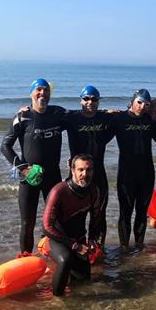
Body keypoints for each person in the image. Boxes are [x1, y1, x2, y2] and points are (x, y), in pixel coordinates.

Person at [1, 78, 67, 253]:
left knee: (55, 221)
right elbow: (5, 146)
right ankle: (26, 258)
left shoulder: (58, 113)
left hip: (52, 176)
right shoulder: (22, 117)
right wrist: (23, 168)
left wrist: (106, 113)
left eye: (46, 90)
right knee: (27, 222)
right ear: (31, 93)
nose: (42, 93)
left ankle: (51, 253)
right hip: (29, 178)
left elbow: (81, 119)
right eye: (38, 89)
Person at [42, 154, 102, 296]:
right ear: (72, 170)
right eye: (80, 170)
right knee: (65, 260)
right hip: (56, 240)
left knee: (84, 282)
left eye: (89, 170)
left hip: (78, 239)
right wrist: (75, 245)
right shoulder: (59, 191)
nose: (84, 174)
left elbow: (96, 217)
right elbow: (46, 227)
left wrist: (92, 239)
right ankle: (57, 300)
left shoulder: (94, 190)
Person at [107, 89, 156, 249]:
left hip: (146, 173)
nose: (142, 106)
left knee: (142, 212)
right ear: (132, 101)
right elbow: (99, 138)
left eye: (146, 104)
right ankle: (124, 248)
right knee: (125, 212)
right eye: (139, 102)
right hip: (126, 173)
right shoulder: (119, 119)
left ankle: (139, 245)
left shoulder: (150, 119)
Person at [63, 85, 114, 247]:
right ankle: (75, 245)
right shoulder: (71, 118)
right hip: (78, 174)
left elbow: (130, 115)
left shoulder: (104, 117)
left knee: (100, 212)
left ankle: (98, 246)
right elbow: (47, 117)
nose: (90, 102)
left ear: (98, 101)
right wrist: (28, 110)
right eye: (86, 98)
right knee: (75, 212)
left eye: (94, 99)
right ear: (80, 100)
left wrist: (155, 108)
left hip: (98, 172)